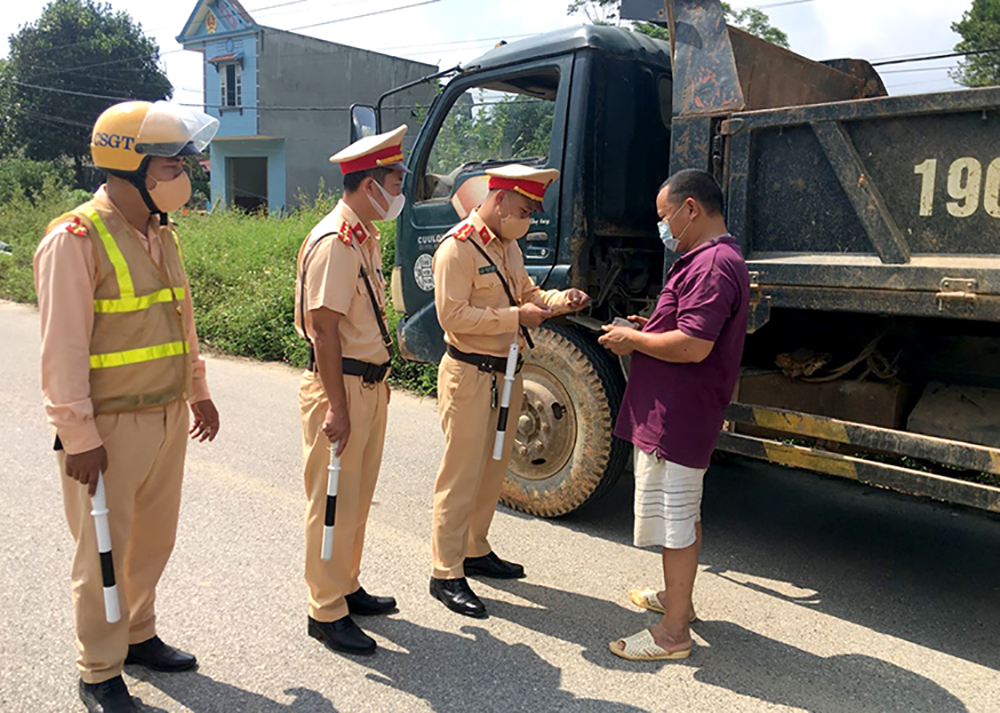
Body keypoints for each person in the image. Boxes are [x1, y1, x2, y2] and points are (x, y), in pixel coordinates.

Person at [34, 100, 221, 712]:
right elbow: (61, 349)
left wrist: (197, 389)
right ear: (132, 166)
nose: (184, 174)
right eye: (173, 163)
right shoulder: (75, 239)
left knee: (151, 542)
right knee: (104, 554)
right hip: (108, 430)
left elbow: (181, 322)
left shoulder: (160, 233)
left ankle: (138, 635)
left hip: (165, 416)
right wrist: (77, 434)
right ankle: (98, 671)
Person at [598, 168, 750, 661]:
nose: (663, 228)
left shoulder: (711, 265)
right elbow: (682, 327)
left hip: (677, 415)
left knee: (675, 520)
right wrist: (650, 326)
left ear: (690, 209)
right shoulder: (706, 259)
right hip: (681, 410)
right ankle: (677, 599)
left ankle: (672, 633)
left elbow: (692, 346)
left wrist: (633, 339)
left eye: (666, 217)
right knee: (684, 513)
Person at [429, 164, 590, 618]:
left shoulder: (507, 245)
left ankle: (475, 548)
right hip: (469, 374)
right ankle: (445, 573)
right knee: (460, 474)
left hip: (507, 372)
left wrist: (561, 301)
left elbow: (526, 292)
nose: (526, 220)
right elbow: (452, 317)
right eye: (522, 210)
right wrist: (515, 319)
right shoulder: (456, 249)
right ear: (499, 201)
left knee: (493, 469)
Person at [294, 125, 409, 657]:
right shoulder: (335, 241)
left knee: (356, 496)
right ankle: (325, 610)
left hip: (368, 386)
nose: (401, 187)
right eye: (395, 178)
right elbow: (324, 328)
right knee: (332, 501)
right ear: (370, 186)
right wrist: (338, 407)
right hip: (340, 390)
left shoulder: (363, 235)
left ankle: (346, 583)